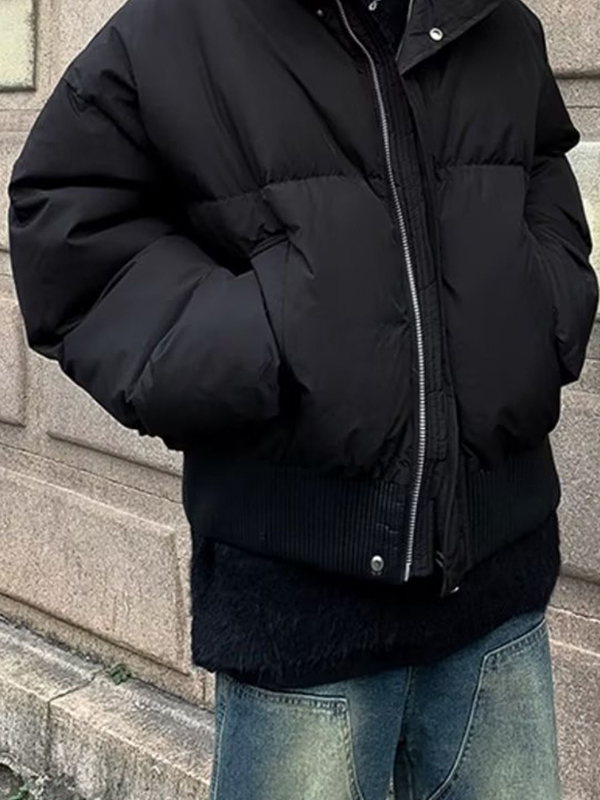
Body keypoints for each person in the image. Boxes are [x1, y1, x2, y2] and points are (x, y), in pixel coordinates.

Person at [7, 0, 598, 796]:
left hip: (498, 600)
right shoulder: (181, 26)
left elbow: (543, 173)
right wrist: (262, 340)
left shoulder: (497, 22)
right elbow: (65, 221)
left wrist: (543, 306)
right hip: (299, 622)